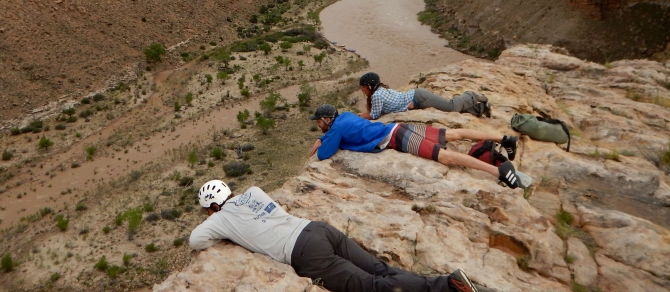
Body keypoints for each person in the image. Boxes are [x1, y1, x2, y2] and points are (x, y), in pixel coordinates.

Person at [191, 179, 479, 292]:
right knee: (380, 268)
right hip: (317, 228)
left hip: (304, 252)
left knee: (371, 286)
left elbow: (196, 240)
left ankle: (449, 288)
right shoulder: (253, 191)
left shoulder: (221, 219)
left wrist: (221, 227)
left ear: (213, 207)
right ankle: (445, 283)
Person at [307, 104, 527, 189]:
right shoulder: (345, 116)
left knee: (445, 157)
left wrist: (321, 141)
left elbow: (324, 155)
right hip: (398, 127)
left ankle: (499, 171)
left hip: (396, 138)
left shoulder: (335, 129)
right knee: (452, 134)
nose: (318, 125)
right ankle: (503, 138)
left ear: (327, 119)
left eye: (319, 121)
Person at [358, 72, 491, 119]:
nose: (362, 90)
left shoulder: (376, 96)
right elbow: (374, 111)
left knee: (451, 107)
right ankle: (480, 108)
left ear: (369, 86)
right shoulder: (379, 91)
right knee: (450, 110)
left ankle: (472, 95)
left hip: (420, 98)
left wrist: (356, 116)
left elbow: (374, 115)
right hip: (418, 100)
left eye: (363, 87)